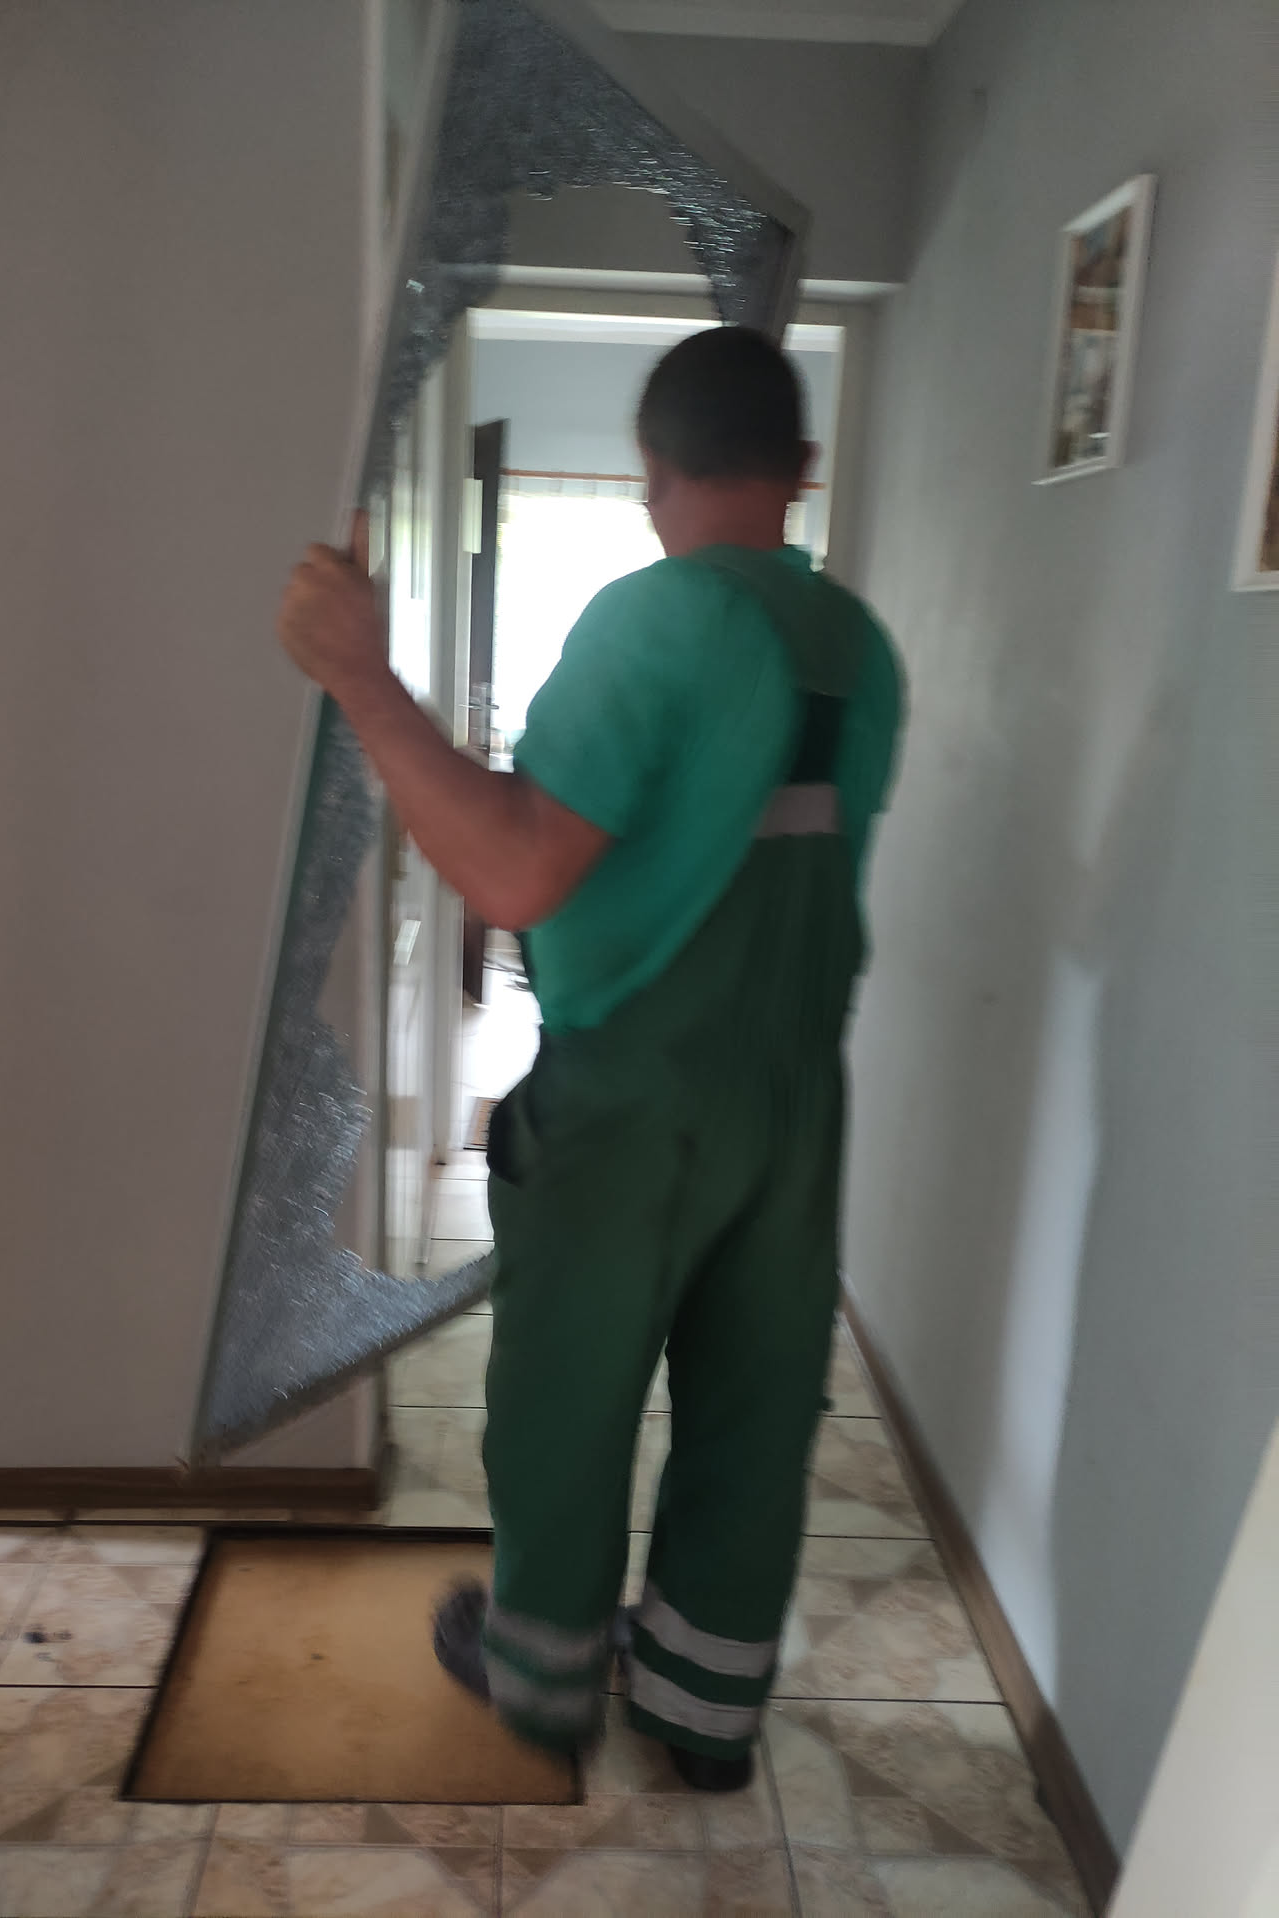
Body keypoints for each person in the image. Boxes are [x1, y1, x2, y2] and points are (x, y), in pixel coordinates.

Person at [278, 324, 904, 1793]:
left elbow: (514, 867)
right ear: (804, 469)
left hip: (633, 1100)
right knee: (756, 1404)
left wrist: (362, 678)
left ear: (649, 471)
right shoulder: (856, 645)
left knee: (569, 1393)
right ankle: (703, 1711)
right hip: (799, 1098)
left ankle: (546, 1681)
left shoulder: (655, 621)